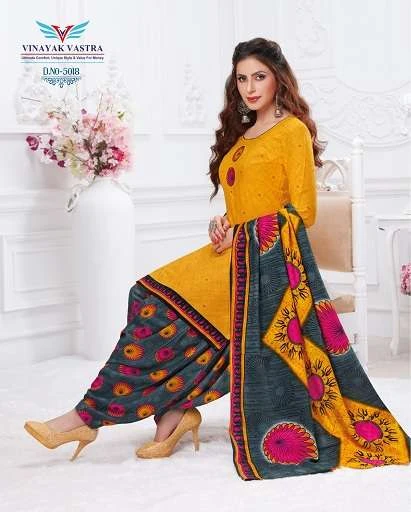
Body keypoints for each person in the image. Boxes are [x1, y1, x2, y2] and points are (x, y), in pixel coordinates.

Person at [24, 37, 411, 479]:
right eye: (242, 79)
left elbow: (302, 211)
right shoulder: (242, 135)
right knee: (146, 296)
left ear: (279, 79)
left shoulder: (292, 131)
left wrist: (243, 232)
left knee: (162, 313)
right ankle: (173, 413)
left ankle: (85, 418)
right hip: (233, 252)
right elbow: (248, 202)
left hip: (262, 265)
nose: (250, 87)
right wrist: (223, 222)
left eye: (259, 77)